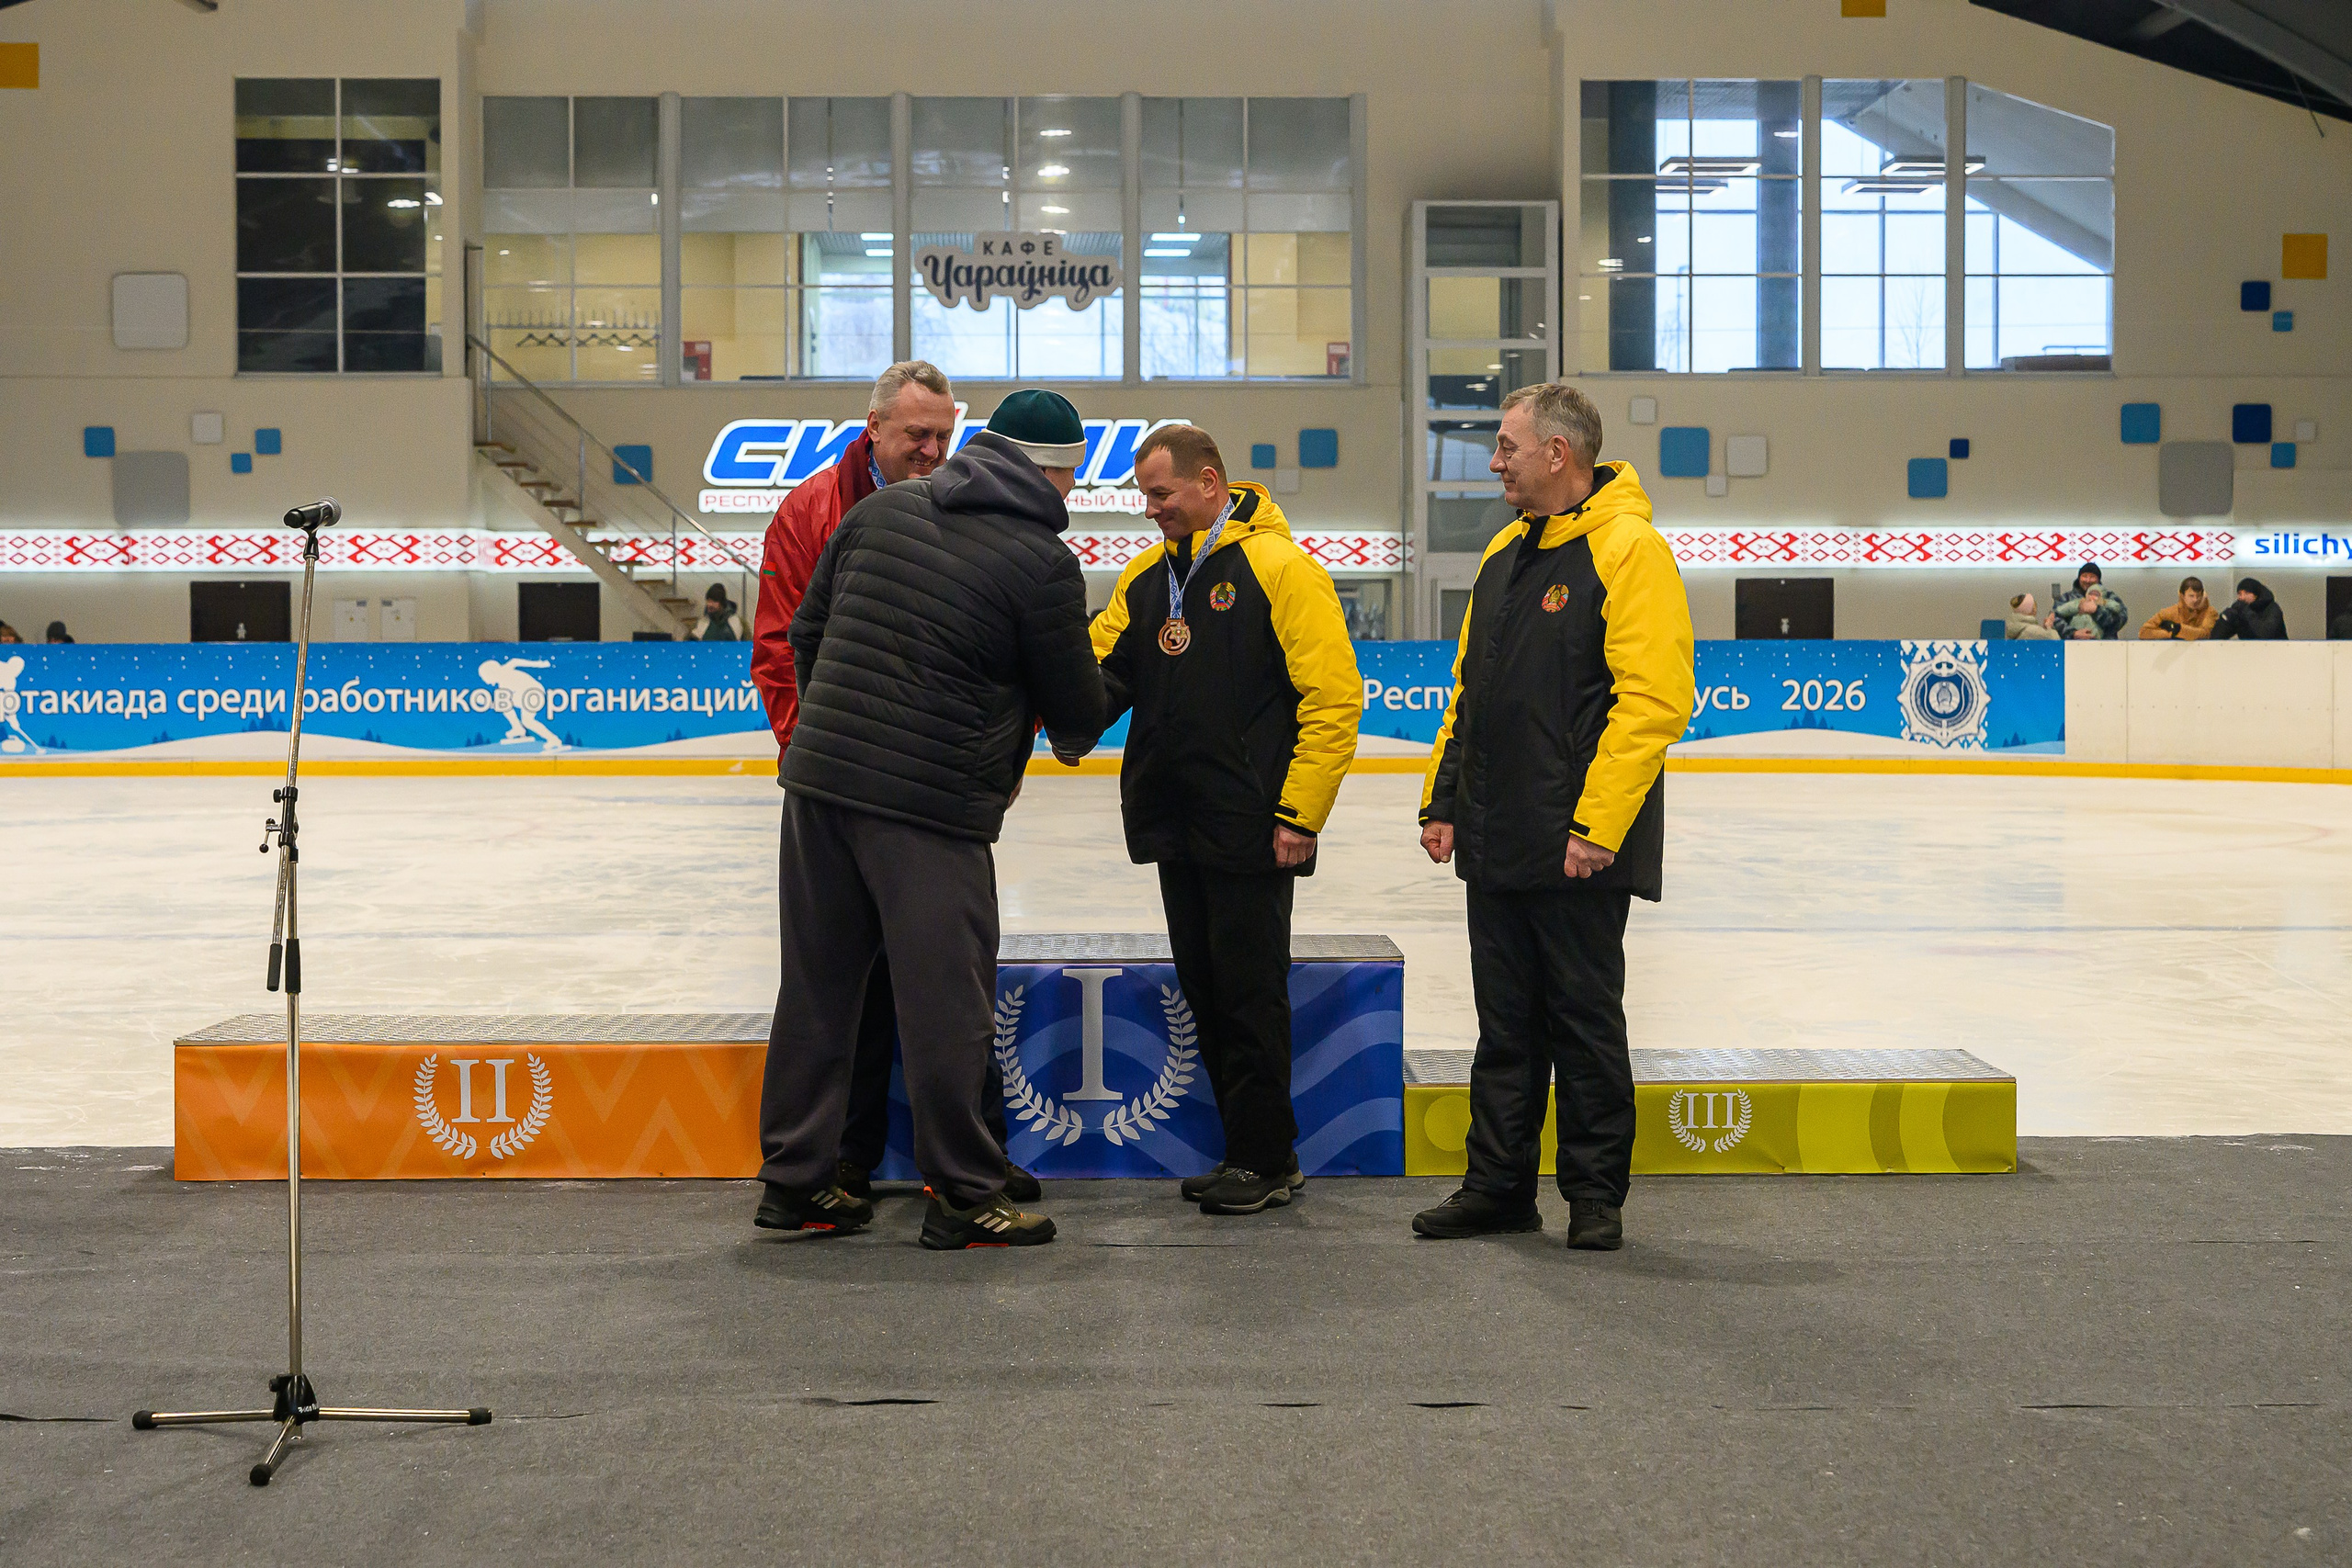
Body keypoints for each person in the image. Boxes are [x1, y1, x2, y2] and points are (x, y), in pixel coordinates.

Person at [757, 389, 1105, 1251]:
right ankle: (964, 1191)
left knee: (816, 991)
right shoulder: (1042, 562)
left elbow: (805, 637)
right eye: (1073, 477)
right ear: (1054, 472)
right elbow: (1078, 720)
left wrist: (836, 730)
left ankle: (797, 1183)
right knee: (946, 1001)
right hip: (928, 807)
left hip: (819, 788)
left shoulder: (882, 514)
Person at [1411, 382, 1695, 1253]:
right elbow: (1472, 691)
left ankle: (1595, 1195)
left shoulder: (1629, 550)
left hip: (1577, 846)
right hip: (1497, 837)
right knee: (1504, 1025)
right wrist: (1444, 798)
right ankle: (1497, 1185)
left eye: (1506, 446)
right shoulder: (1504, 553)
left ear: (1557, 454)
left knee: (1582, 1020)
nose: (1494, 461)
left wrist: (1598, 826)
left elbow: (1654, 700)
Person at [1085, 424, 1363, 1216]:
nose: (1150, 510)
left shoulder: (1282, 569)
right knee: (1207, 990)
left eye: (1160, 494)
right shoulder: (1145, 578)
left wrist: (1301, 812)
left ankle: (1267, 1157)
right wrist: (1057, 719)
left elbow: (1334, 698)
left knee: (1248, 993)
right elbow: (1104, 675)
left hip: (1253, 823)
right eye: (1144, 495)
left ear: (1210, 484)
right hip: (1175, 820)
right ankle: (1255, 1152)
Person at [2050, 564, 2125, 640]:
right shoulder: (2066, 598)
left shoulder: (2109, 597)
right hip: (2073, 646)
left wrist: (2097, 611)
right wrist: (2073, 633)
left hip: (2105, 645)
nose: (2088, 580)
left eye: (2092, 577)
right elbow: (2055, 616)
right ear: (2079, 578)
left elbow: (2121, 619)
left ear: (2098, 579)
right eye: (2084, 576)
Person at [2137, 578, 2217, 640]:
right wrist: (2170, 634)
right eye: (2191, 596)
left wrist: (2178, 630)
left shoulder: (2210, 612)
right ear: (2182, 595)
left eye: (2198, 596)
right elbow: (2143, 632)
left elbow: (2205, 633)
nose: (2195, 600)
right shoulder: (2169, 613)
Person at [2212, 577, 2289, 640]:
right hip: (2249, 653)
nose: (2241, 597)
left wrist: (2247, 611)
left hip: (2277, 652)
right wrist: (2225, 619)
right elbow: (2216, 638)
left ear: (2256, 595)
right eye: (2239, 594)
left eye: (2246, 593)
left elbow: (2265, 634)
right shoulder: (2240, 610)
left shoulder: (2272, 609)